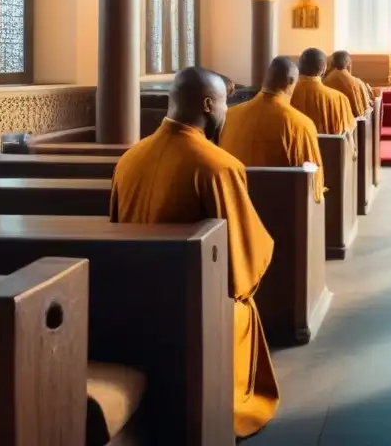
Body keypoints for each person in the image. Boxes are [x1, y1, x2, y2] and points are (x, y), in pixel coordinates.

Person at [110, 68, 278, 438]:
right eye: (223, 103)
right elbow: (243, 260)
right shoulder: (218, 166)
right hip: (192, 305)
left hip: (131, 300)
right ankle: (225, 406)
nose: (225, 111)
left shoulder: (129, 158)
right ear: (208, 105)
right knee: (242, 305)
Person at [220, 56, 325, 203]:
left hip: (231, 197)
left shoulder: (228, 116)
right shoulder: (301, 124)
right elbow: (312, 177)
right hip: (278, 207)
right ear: (290, 82)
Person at [291, 47, 355, 135]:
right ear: (323, 69)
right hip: (328, 148)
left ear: (298, 67)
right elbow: (346, 138)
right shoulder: (340, 99)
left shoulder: (285, 96)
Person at [322, 50, 369, 118]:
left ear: (331, 66)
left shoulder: (324, 83)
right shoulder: (359, 83)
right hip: (354, 126)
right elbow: (366, 111)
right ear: (349, 66)